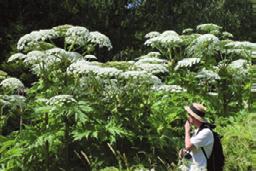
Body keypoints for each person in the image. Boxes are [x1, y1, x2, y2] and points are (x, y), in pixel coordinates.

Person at [179, 103, 214, 171]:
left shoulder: (206, 132)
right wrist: (184, 152)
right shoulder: (197, 131)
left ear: (194, 117)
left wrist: (187, 130)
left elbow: (188, 146)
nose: (188, 117)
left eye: (189, 114)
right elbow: (190, 149)